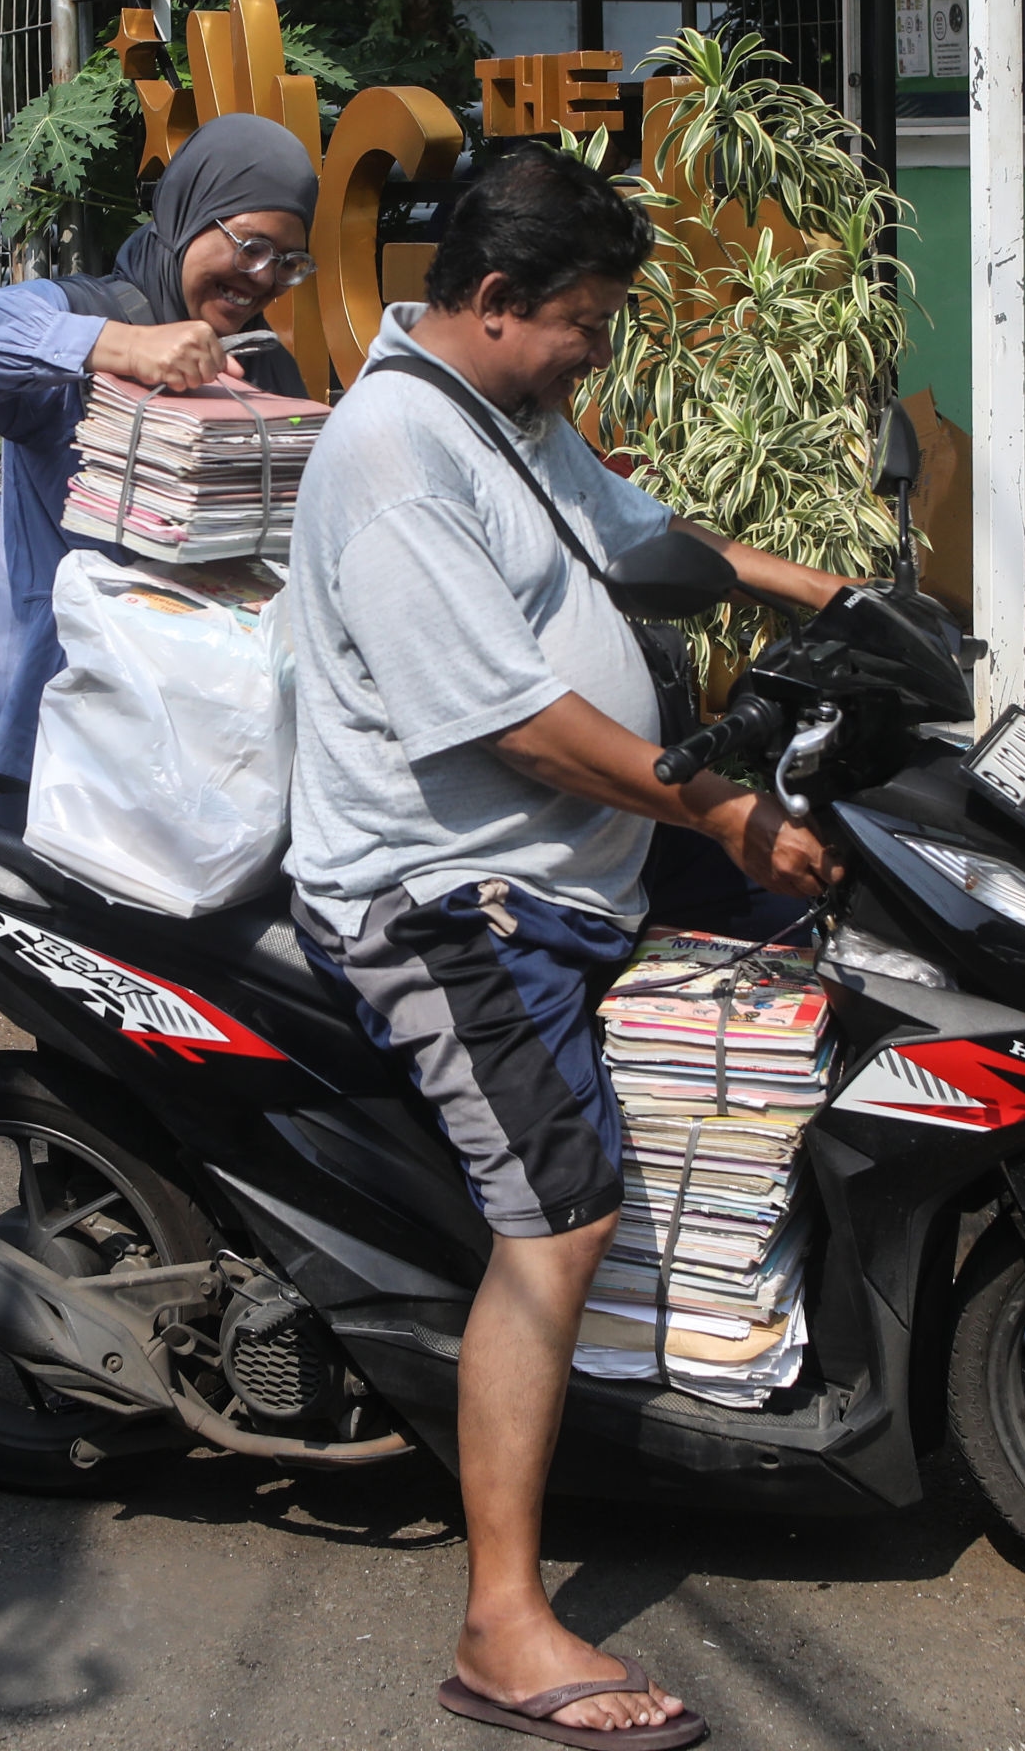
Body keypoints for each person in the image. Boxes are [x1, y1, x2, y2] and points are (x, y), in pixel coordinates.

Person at [282, 145, 849, 1749]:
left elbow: (642, 542)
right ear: (493, 301)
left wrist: (836, 597)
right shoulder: (396, 452)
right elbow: (521, 731)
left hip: (583, 863)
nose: (599, 348)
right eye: (586, 322)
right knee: (563, 1206)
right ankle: (504, 1621)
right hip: (450, 894)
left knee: (823, 940)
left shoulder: (506, 416)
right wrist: (725, 813)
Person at [0, 112, 320, 777]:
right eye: (251, 247)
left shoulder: (264, 369)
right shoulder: (88, 318)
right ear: (187, 214)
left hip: (209, 749)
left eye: (287, 263)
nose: (261, 279)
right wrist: (117, 346)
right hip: (68, 735)